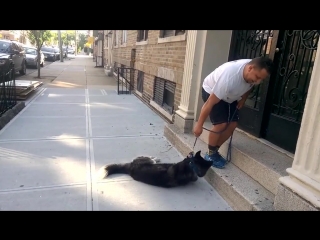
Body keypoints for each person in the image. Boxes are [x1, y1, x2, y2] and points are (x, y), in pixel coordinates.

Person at [193, 57, 274, 169]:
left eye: (261, 79)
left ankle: (214, 151)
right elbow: (209, 103)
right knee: (221, 124)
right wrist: (199, 125)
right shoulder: (230, 77)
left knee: (232, 124)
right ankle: (210, 155)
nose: (258, 82)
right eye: (257, 78)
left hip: (231, 95)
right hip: (212, 91)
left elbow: (249, 86)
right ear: (250, 68)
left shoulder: (253, 71)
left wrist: (243, 99)